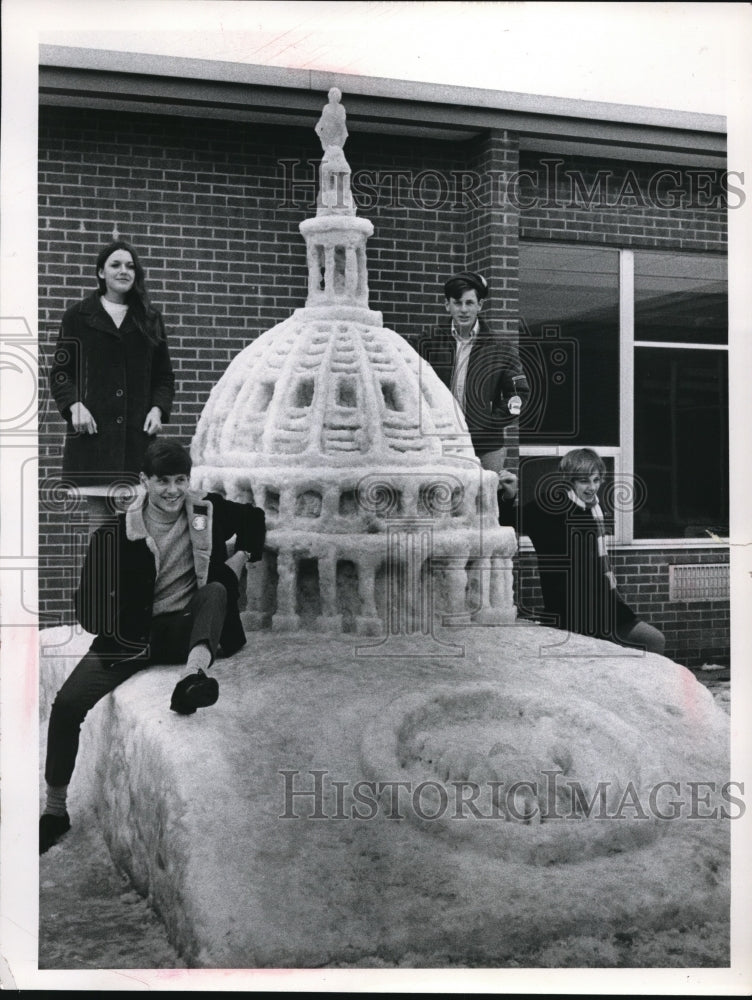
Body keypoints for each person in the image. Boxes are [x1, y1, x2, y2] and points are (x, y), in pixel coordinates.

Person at [39, 440, 266, 854]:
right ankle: (55, 810)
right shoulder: (117, 532)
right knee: (68, 705)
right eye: (162, 481)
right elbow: (88, 607)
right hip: (131, 640)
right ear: (144, 481)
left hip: (185, 631)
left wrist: (239, 560)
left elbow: (254, 519)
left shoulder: (206, 511)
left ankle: (192, 680)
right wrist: (113, 616)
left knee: (216, 591)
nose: (173, 490)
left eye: (180, 480)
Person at [49, 240, 176, 528]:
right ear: (100, 273)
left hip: (136, 440)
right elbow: (60, 372)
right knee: (102, 529)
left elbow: (164, 376)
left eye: (130, 266)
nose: (124, 271)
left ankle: (133, 575)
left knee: (138, 529)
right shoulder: (77, 316)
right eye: (115, 265)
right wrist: (74, 406)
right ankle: (101, 574)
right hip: (95, 438)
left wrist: (158, 409)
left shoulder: (150, 319)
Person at [498, 447, 665, 655]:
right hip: (570, 612)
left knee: (653, 641)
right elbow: (507, 521)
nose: (592, 487)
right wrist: (508, 495)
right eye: (584, 481)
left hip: (602, 606)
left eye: (596, 480)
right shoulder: (549, 508)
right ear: (570, 480)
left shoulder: (593, 510)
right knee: (637, 647)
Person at [417, 271, 530, 474]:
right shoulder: (427, 341)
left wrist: (493, 422)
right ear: (447, 305)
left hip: (487, 447)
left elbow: (519, 395)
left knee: (487, 500)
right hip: (440, 440)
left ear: (480, 305)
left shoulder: (500, 348)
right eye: (457, 303)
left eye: (469, 303)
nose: (463, 309)